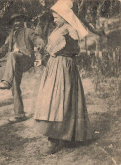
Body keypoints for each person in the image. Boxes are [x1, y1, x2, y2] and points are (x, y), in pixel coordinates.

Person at [33, 0, 93, 155]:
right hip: (54, 67)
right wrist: (44, 60)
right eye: (54, 17)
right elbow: (53, 50)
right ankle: (54, 138)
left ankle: (63, 138)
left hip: (64, 68)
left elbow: (73, 50)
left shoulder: (70, 29)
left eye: (56, 17)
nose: (54, 20)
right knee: (53, 100)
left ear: (65, 16)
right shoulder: (58, 29)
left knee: (61, 101)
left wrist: (69, 40)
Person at [0, 14, 45, 123]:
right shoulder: (11, 35)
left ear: (23, 21)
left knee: (12, 55)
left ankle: (5, 81)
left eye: (18, 21)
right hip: (15, 64)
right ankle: (19, 114)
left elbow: (37, 38)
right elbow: (3, 49)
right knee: (15, 86)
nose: (16, 23)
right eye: (14, 21)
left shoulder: (28, 31)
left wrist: (40, 44)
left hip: (26, 60)